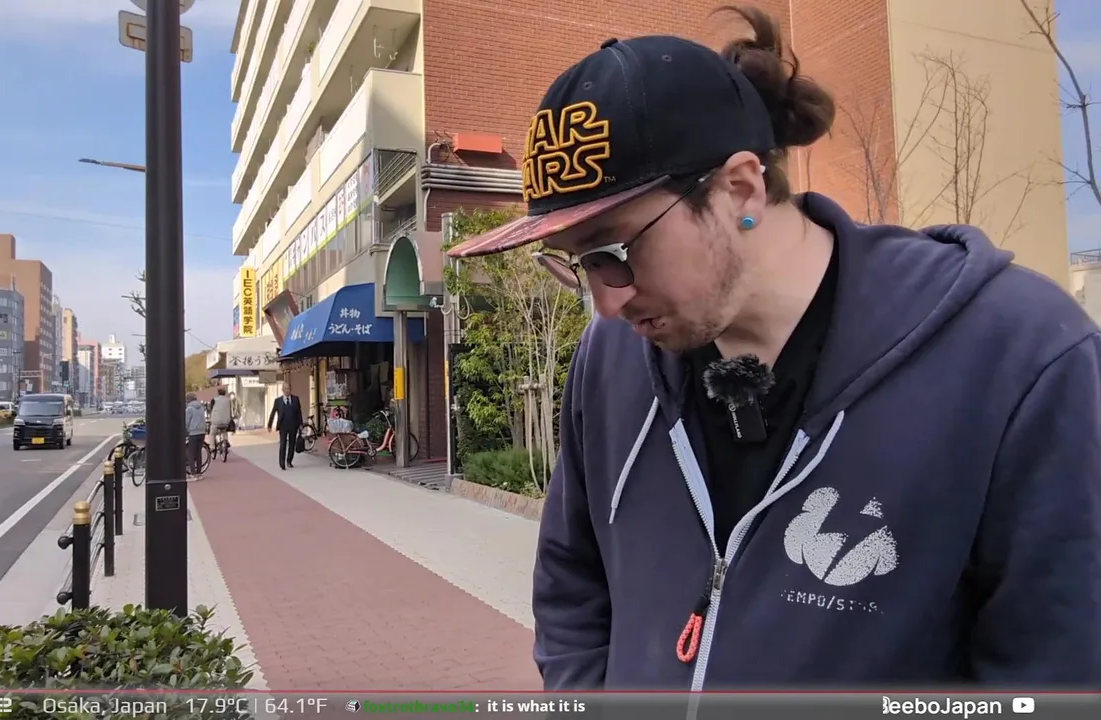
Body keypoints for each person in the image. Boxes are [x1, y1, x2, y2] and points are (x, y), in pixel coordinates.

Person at [446, 7, 1101, 689]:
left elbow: (1057, 672)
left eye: (616, 250)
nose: (607, 302)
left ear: (741, 189)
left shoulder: (1015, 358)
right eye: (579, 263)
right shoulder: (610, 361)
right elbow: (572, 589)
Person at [268, 382, 302, 470]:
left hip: (293, 425)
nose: (287, 391)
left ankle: (289, 461)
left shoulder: (295, 399)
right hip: (283, 425)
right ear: (282, 390)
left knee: (292, 444)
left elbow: (299, 412)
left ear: (291, 389)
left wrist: (300, 424)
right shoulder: (278, 401)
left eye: (288, 389)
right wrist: (269, 425)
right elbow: (273, 413)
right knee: (283, 444)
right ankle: (282, 463)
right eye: (285, 389)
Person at [184, 392, 207, 477]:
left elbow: (186, 422)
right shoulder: (201, 407)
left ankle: (193, 473)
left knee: (191, 453)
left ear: (188, 400)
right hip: (202, 432)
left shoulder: (189, 409)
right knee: (198, 453)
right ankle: (199, 472)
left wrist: (186, 430)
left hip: (193, 433)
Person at [209, 386, 234, 452]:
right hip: (226, 421)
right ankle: (225, 441)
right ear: (225, 393)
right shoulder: (228, 400)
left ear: (218, 393)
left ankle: (212, 447)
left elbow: (211, 409)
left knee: (212, 433)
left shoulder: (214, 400)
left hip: (216, 422)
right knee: (224, 431)